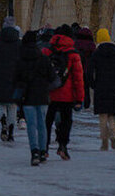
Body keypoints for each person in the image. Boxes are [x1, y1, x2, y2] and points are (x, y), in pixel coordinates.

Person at [43, 24, 84, 160]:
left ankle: (44, 148)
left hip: (49, 93)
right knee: (66, 121)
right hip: (67, 95)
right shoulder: (73, 54)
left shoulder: (47, 51)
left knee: (47, 122)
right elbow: (78, 78)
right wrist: (79, 99)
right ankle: (62, 146)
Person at [15, 30, 55, 165]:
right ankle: (43, 151)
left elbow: (16, 79)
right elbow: (52, 78)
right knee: (42, 124)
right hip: (43, 95)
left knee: (31, 125)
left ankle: (35, 152)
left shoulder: (20, 59)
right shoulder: (43, 58)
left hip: (28, 97)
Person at [87, 28, 115, 151]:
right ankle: (113, 135)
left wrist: (93, 84)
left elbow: (89, 71)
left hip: (100, 87)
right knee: (111, 115)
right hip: (114, 87)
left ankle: (104, 141)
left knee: (102, 115)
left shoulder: (96, 53)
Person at [74, 27, 96, 109]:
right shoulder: (91, 45)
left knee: (77, 86)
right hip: (87, 68)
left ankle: (77, 102)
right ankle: (87, 103)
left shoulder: (76, 43)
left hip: (77, 67)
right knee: (86, 87)